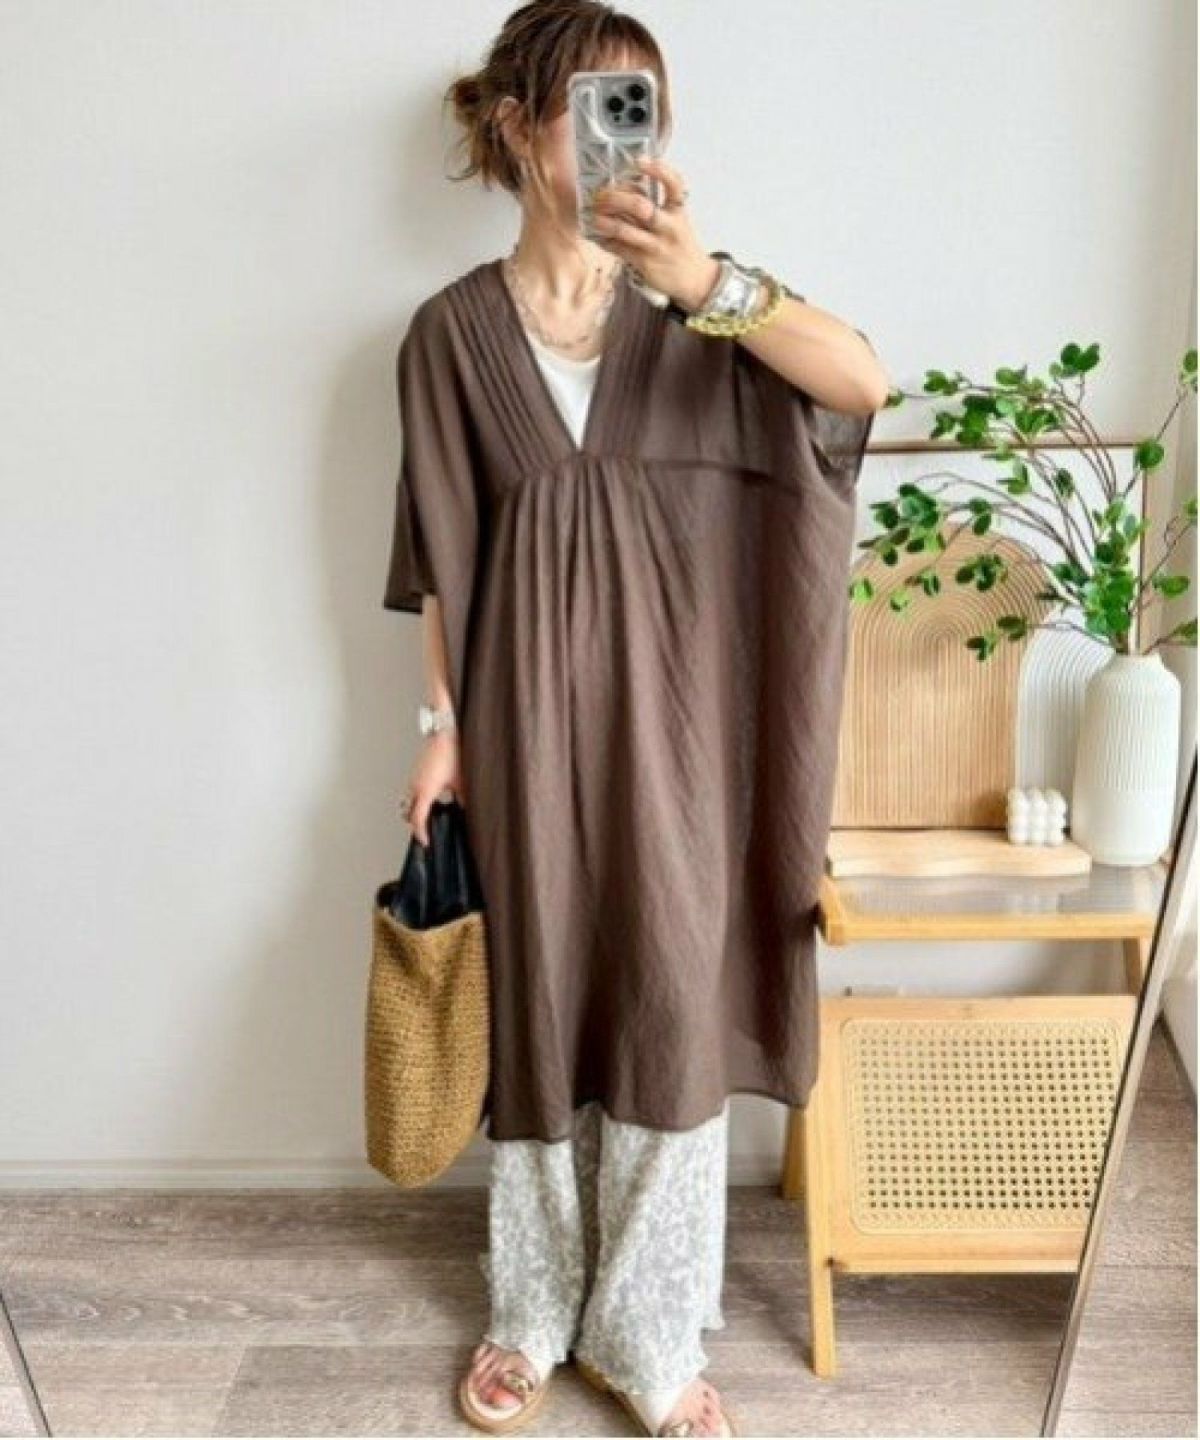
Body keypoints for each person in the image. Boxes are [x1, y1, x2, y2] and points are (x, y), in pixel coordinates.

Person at [381, 3, 891, 1434]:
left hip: (684, 728)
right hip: (527, 716)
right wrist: (441, 726)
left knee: (671, 995)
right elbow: (442, 554)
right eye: (602, 105)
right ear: (519, 126)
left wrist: (708, 280)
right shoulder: (447, 337)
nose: (632, 135)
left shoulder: (706, 317)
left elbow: (861, 384)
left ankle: (653, 1335)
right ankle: (532, 1309)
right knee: (542, 994)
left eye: (647, 108)